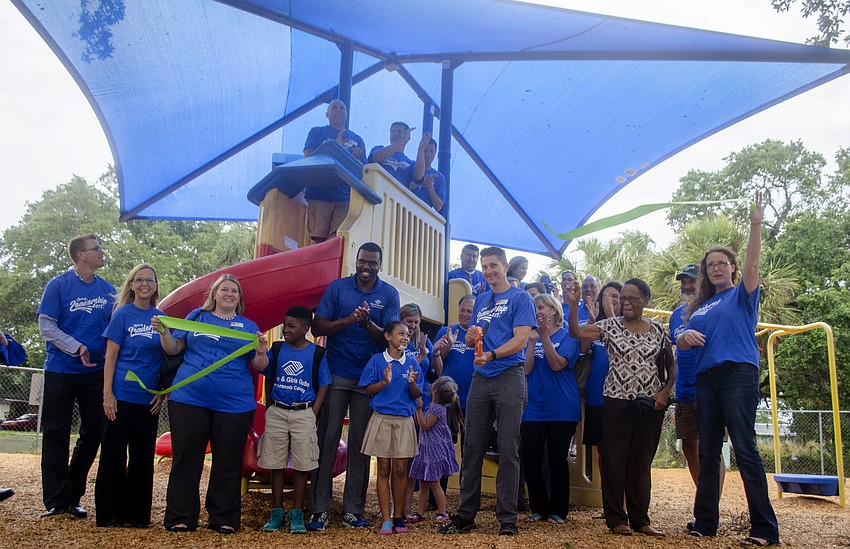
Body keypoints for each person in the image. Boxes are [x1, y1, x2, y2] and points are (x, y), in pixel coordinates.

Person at [678, 192, 780, 547]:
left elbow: (753, 264)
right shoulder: (702, 305)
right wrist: (684, 334)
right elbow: (680, 337)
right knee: (708, 451)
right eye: (710, 265)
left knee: (744, 447)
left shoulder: (742, 294)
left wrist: (755, 224)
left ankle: (765, 529)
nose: (716, 268)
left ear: (733, 268)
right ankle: (706, 522)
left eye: (722, 263)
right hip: (706, 379)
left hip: (738, 374)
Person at [153, 274, 269, 534]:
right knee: (187, 457)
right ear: (214, 294)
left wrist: (261, 352)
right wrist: (163, 333)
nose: (229, 294)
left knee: (227, 461)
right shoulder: (196, 317)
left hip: (235, 403)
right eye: (224, 289)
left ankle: (223, 517)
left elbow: (260, 365)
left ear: (239, 299)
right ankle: (181, 516)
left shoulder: (249, 326)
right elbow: (173, 349)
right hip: (189, 398)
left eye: (235, 291)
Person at [566, 278, 675, 538]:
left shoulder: (659, 330)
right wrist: (572, 305)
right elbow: (577, 333)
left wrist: (665, 392)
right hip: (616, 400)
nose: (625, 302)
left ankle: (641, 519)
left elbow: (671, 366)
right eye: (623, 298)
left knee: (641, 461)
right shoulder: (611, 326)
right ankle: (616, 519)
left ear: (645, 300)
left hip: (649, 404)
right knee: (614, 460)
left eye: (632, 298)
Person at [439, 246, 536, 537]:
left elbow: (520, 340)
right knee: (472, 448)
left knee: (508, 448)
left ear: (505, 267)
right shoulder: (481, 299)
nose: (489, 270)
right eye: (485, 266)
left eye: (494, 265)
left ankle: (507, 518)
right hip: (481, 377)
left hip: (509, 375)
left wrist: (492, 355)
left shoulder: (521, 298)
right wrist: (470, 338)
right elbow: (475, 339)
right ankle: (466, 515)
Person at [308, 242, 400, 531]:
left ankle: (353, 510)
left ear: (380, 265)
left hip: (368, 378)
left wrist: (367, 324)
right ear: (356, 261)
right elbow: (317, 328)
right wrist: (348, 319)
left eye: (373, 263)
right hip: (336, 374)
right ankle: (319, 509)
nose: (367, 267)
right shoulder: (338, 289)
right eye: (363, 261)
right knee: (327, 440)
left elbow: (390, 337)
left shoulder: (389, 294)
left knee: (361, 445)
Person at [37, 233, 115, 519]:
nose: (102, 252)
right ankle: (57, 501)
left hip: (95, 373)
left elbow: (114, 329)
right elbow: (46, 326)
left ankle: (72, 493)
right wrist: (76, 346)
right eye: (96, 249)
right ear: (80, 255)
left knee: (94, 431)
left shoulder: (108, 291)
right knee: (56, 432)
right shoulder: (57, 286)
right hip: (60, 369)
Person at [95, 264, 165, 528]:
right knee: (113, 454)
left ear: (156, 285)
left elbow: (167, 357)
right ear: (132, 285)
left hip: (147, 400)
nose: (145, 284)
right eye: (139, 280)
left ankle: (137, 514)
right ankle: (109, 513)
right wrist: (107, 395)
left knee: (142, 457)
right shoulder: (123, 315)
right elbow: (110, 356)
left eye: (150, 279)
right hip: (121, 396)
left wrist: (162, 392)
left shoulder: (160, 318)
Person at [259, 306, 331, 534]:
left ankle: (297, 513)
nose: (285, 329)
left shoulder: (317, 354)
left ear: (305, 328)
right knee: (275, 462)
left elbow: (324, 384)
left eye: (291, 326)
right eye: (284, 324)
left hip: (304, 413)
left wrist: (313, 411)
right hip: (278, 411)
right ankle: (277, 511)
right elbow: (268, 376)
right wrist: (271, 406)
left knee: (302, 464)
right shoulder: (277, 349)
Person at [670, 264, 727, 531]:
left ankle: (709, 511)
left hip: (711, 386)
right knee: (690, 447)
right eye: (683, 281)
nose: (687, 285)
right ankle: (707, 502)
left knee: (710, 448)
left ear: (702, 282)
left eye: (692, 280)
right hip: (684, 390)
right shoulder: (674, 316)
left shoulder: (716, 307)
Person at [520, 293, 581, 524]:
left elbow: (557, 365)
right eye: (536, 307)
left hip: (561, 406)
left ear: (554, 311)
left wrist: (545, 338)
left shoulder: (568, 336)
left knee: (556, 458)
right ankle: (538, 508)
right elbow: (526, 370)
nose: (538, 311)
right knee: (531, 457)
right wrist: (533, 341)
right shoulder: (531, 336)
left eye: (542, 306)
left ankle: (558, 510)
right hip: (533, 406)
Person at [359, 321, 423, 535]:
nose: (405, 337)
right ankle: (386, 518)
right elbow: (368, 389)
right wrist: (384, 383)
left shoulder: (412, 362)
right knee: (384, 468)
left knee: (400, 469)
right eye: (400, 333)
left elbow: (416, 394)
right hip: (382, 419)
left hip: (404, 420)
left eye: (407, 334)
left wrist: (413, 382)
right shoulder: (377, 361)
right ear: (387, 336)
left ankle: (398, 516)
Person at [303, 99, 367, 243]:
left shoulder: (357, 139)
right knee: (317, 240)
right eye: (334, 108)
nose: (338, 110)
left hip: (344, 197)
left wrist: (356, 159)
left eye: (342, 108)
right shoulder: (317, 132)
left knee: (337, 241)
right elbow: (308, 157)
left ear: (347, 114)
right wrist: (334, 149)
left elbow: (363, 170)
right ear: (327, 114)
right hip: (319, 194)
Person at [409, 376, 462, 522]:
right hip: (427, 449)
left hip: (433, 450)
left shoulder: (437, 409)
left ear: (435, 390)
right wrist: (418, 410)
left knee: (434, 483)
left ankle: (442, 512)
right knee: (424, 483)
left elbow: (425, 425)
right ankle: (420, 512)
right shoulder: (434, 407)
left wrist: (418, 409)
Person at [582, 282, 622, 453]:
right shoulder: (597, 325)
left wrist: (613, 317)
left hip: (621, 397)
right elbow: (583, 349)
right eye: (606, 296)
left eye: (615, 296)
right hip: (597, 395)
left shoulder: (631, 324)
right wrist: (592, 320)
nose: (610, 300)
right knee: (602, 449)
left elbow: (624, 348)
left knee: (620, 447)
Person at [368, 122, 416, 187]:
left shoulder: (411, 163)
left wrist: (421, 149)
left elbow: (418, 178)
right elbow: (376, 158)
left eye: (399, 132)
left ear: (408, 137)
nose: (395, 134)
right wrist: (401, 142)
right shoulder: (379, 149)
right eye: (393, 132)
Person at [409, 132, 446, 212]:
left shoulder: (439, 177)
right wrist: (420, 182)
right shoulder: (411, 166)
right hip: (406, 207)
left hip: (423, 217)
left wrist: (430, 187)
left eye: (431, 151)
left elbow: (439, 206)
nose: (428, 154)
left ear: (435, 153)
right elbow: (403, 186)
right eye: (425, 151)